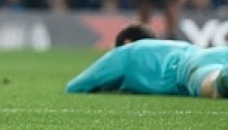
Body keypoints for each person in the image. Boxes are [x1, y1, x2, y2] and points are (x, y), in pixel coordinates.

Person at [66, 23, 228, 98]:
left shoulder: (125, 52)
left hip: (191, 68)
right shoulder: (173, 46)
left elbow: (76, 86)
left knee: (215, 85)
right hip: (214, 53)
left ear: (127, 42)